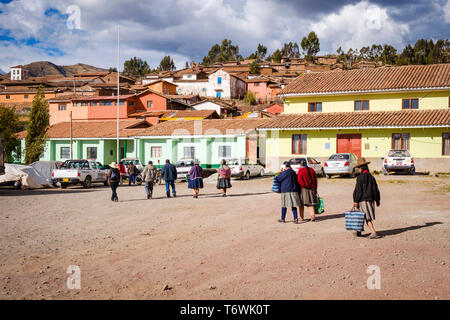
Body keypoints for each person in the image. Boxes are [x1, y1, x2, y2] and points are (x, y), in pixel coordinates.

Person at [353, 158, 381, 239]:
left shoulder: (360, 177)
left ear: (361, 168)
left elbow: (359, 191)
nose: (358, 169)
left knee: (366, 217)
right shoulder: (371, 177)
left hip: (363, 200)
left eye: (359, 168)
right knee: (361, 216)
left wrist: (356, 200)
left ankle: (373, 232)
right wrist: (377, 200)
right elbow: (376, 189)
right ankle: (358, 231)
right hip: (370, 199)